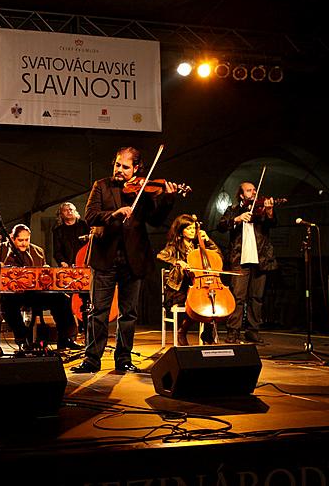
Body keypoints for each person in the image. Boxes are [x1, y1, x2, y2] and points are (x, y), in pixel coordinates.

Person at [73, 147, 177, 374]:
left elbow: (156, 221)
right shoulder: (101, 186)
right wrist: (114, 214)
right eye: (117, 165)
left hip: (133, 259)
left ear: (137, 168)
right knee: (98, 311)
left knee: (128, 314)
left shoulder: (144, 189)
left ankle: (123, 359)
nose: (119, 170)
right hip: (105, 258)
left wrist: (168, 200)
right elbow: (90, 216)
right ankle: (92, 359)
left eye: (125, 167)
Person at [0, 223, 82, 351]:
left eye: (26, 240)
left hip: (32, 293)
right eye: (20, 240)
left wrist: (46, 271)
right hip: (9, 294)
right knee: (7, 303)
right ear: (12, 238)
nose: (24, 243)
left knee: (61, 299)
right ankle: (23, 339)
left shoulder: (37, 252)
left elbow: (42, 271)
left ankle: (66, 339)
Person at [217, 181, 277, 344]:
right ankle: (233, 331)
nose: (253, 193)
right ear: (242, 195)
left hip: (260, 259)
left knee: (256, 298)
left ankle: (253, 331)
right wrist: (237, 219)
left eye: (255, 190)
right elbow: (221, 226)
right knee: (238, 297)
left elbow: (272, 224)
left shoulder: (262, 210)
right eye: (249, 191)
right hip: (240, 259)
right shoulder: (233, 210)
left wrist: (270, 211)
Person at [157, 214, 221, 346]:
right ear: (181, 230)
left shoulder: (199, 245)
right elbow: (161, 255)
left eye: (194, 228)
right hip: (179, 288)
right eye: (189, 228)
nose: (193, 231)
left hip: (197, 285)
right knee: (195, 303)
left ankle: (207, 333)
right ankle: (182, 331)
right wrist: (178, 261)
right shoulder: (174, 246)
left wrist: (208, 240)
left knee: (210, 300)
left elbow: (217, 255)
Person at [52, 202, 90, 267]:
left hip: (85, 263)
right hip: (67, 265)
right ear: (61, 214)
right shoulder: (58, 230)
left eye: (70, 209)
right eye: (65, 210)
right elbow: (57, 251)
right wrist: (62, 262)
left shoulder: (85, 225)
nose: (69, 212)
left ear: (75, 212)